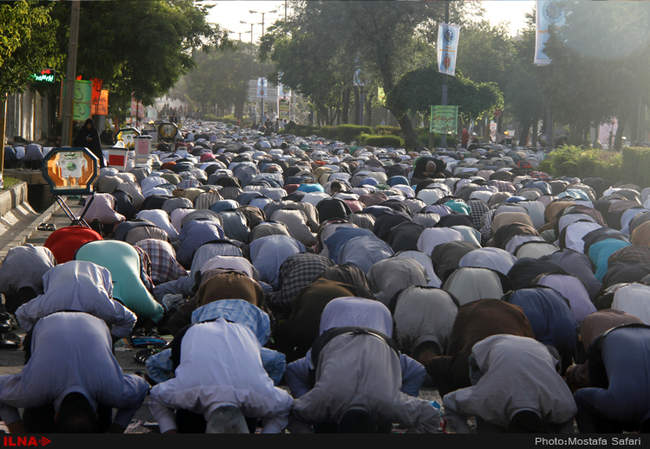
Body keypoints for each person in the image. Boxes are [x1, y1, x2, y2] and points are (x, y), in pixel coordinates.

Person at [285, 297, 438, 433]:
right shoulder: (323, 399)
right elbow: (290, 406)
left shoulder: (389, 402)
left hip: (373, 335)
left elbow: (290, 411)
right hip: (359, 331)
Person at [148, 300, 293, 433]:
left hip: (237, 332)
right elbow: (286, 406)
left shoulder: (260, 397)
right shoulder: (187, 392)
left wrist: (169, 429)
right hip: (201, 331)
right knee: (187, 419)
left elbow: (156, 396)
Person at [0, 312, 149, 433]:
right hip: (78, 324)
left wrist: (18, 431)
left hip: (63, 323)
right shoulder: (35, 389)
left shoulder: (36, 389)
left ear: (55, 416)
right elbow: (141, 387)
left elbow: (142, 387)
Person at [442, 334, 577, 433]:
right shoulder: (489, 397)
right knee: (485, 416)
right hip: (486, 348)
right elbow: (449, 401)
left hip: (536, 347)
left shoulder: (561, 405)